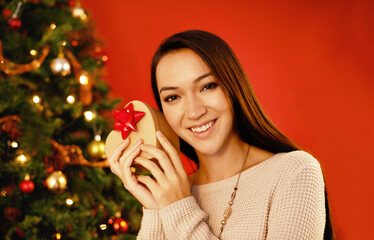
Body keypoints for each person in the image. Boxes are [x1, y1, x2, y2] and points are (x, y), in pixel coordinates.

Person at [108, 30, 333, 239]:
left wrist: (179, 208)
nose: (195, 112)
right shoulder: (171, 193)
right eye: (173, 97)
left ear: (232, 86)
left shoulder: (294, 172)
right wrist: (156, 209)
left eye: (207, 86)